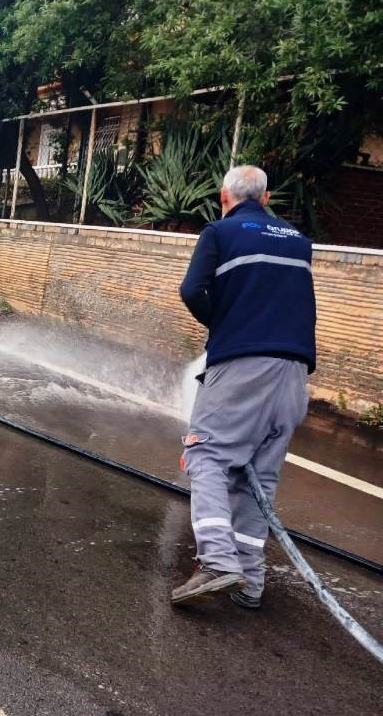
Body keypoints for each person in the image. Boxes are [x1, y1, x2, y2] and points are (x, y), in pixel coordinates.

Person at [171, 165, 316, 608]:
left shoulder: (220, 233)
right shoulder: (299, 241)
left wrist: (225, 324)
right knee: (260, 476)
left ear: (223, 196)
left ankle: (217, 562)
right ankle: (250, 585)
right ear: (267, 199)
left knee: (207, 454)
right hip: (294, 373)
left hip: (242, 364)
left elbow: (192, 290)